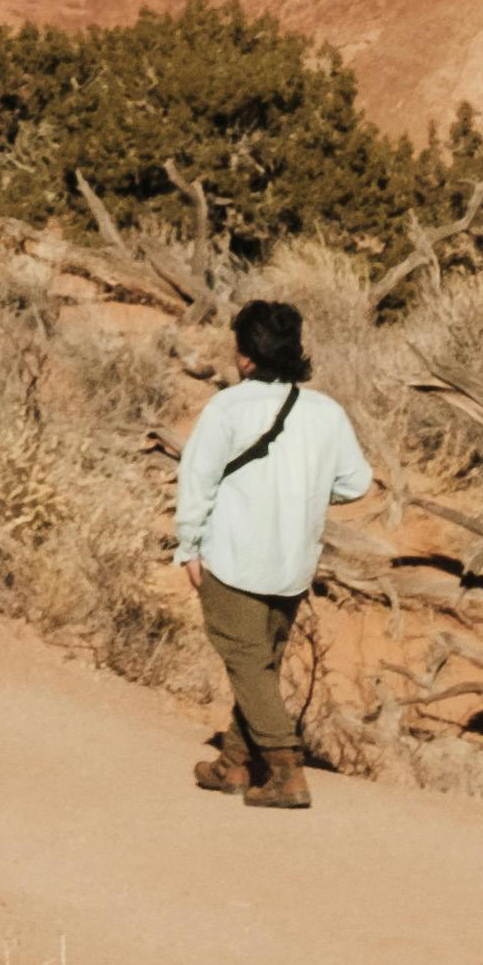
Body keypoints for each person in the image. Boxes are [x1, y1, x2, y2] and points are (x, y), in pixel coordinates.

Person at [168, 294, 373, 810]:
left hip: (233, 559)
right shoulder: (327, 412)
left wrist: (188, 545)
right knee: (260, 664)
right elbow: (357, 483)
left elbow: (197, 481)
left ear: (244, 357)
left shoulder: (227, 407)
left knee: (248, 663)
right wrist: (305, 486)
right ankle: (234, 763)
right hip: (292, 563)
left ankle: (286, 770)